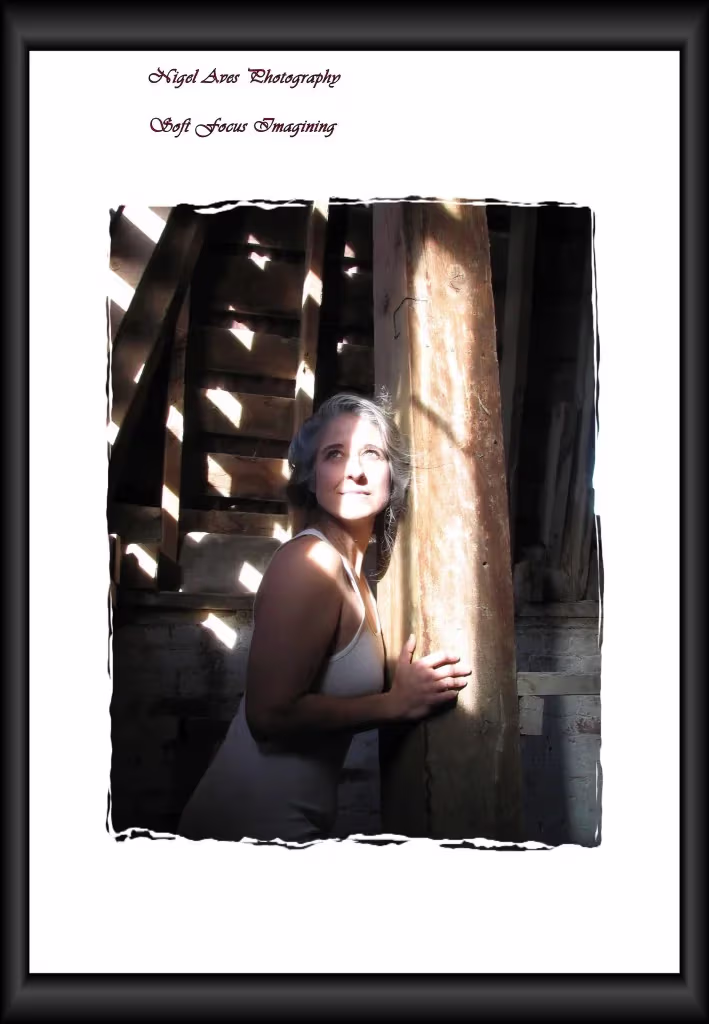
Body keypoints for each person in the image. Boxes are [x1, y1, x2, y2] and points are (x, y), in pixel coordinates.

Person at [177, 393, 471, 842]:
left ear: (393, 475)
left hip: (293, 824)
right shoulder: (310, 562)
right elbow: (268, 716)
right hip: (247, 825)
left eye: (371, 453)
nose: (355, 471)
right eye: (335, 454)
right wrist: (395, 703)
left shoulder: (358, 575)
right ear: (312, 478)